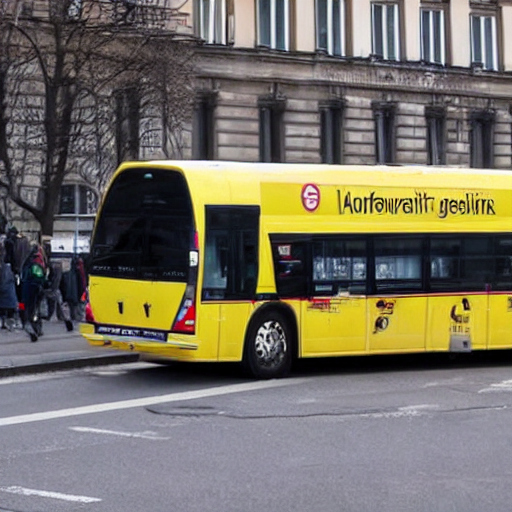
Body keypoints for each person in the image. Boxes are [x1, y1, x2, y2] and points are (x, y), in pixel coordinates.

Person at [20, 242, 48, 342]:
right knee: (31, 309)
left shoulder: (31, 262)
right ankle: (34, 327)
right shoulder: (37, 262)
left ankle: (31, 327)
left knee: (27, 308)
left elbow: (36, 277)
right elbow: (40, 278)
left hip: (28, 290)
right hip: (32, 290)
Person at [46, 259, 73, 332]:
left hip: (54, 288)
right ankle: (65, 319)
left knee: (56, 299)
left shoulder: (54, 266)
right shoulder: (61, 269)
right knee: (60, 302)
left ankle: (58, 316)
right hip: (58, 289)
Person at [0, 244, 18, 331]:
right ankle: (11, 323)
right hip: (10, 294)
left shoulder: (4, 268)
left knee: (4, 307)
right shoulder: (7, 267)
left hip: (5, 292)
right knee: (12, 307)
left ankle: (6, 322)